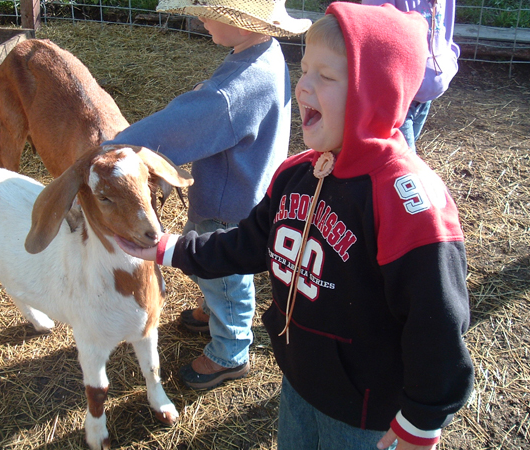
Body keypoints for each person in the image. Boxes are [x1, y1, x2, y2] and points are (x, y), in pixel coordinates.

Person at [116, 2, 474, 449]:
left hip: (365, 413)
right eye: (304, 70)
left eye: (325, 76)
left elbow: (436, 322)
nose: (302, 87)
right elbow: (247, 244)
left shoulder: (406, 203)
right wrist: (169, 249)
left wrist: (420, 422)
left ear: (373, 91)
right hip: (300, 382)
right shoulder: (297, 175)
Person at [105, 0, 311, 389]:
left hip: (228, 202)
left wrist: (115, 147)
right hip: (245, 185)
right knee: (214, 268)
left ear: (243, 22)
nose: (199, 15)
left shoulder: (234, 89)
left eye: (210, 9)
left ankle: (230, 352)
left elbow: (183, 124)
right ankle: (214, 309)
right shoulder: (263, 53)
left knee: (227, 275)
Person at [362, 0, 460, 153]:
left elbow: (445, 35)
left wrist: (448, 64)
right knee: (404, 161)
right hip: (396, 99)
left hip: (425, 98)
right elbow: (374, 37)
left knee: (405, 156)